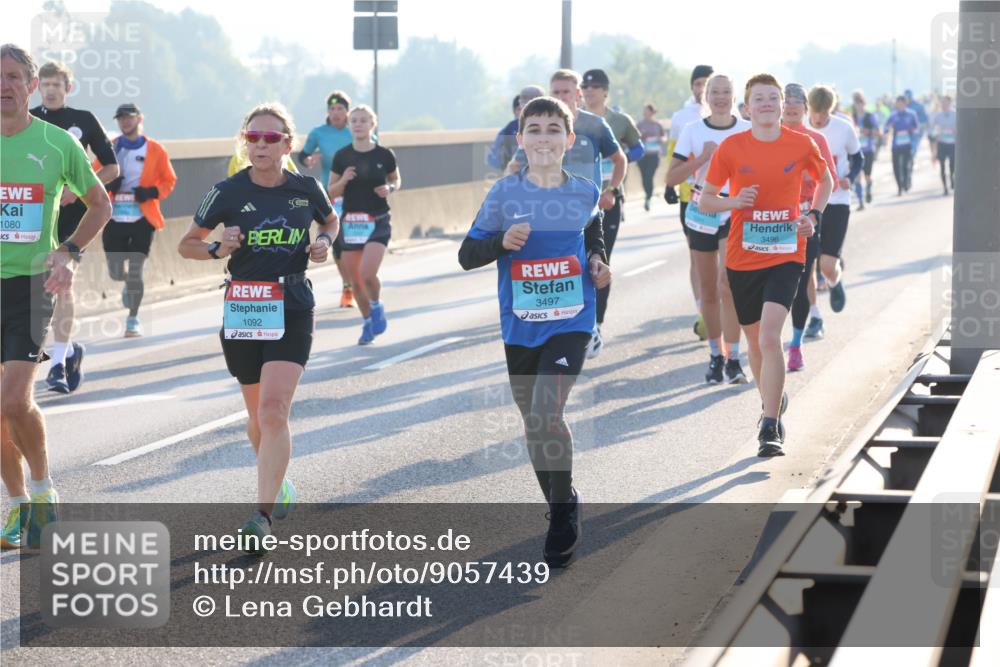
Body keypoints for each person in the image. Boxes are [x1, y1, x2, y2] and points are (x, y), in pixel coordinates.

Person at [179, 102, 338, 553]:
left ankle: (262, 515)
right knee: (256, 420)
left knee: (273, 412)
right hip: (245, 305)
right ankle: (279, 483)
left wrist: (324, 240)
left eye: (271, 138)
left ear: (288, 143)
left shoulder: (306, 188)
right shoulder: (227, 191)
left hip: (291, 303)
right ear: (244, 141)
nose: (261, 145)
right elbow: (185, 244)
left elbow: (329, 219)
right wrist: (216, 247)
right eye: (253, 138)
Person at [459, 96, 610, 567]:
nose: (544, 137)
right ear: (520, 139)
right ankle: (560, 499)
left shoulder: (585, 191)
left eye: (552, 129)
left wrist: (598, 263)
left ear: (568, 140)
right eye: (535, 129)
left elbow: (593, 235)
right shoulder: (504, 194)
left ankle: (563, 513)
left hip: (571, 319)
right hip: (520, 324)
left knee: (547, 411)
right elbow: (467, 254)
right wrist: (501, 242)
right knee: (534, 424)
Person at [1, 44, 112, 548]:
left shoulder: (55, 143)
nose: (4, 87)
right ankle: (19, 504)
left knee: (13, 401)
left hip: (28, 284)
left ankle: (44, 492)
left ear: (29, 86)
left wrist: (68, 251)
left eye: (13, 78)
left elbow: (100, 204)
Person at [698, 73, 832, 457]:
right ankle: (772, 398)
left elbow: (825, 182)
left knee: (772, 336)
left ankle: (769, 426)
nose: (768, 104)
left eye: (774, 98)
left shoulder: (801, 143)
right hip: (743, 258)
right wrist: (734, 202)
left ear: (781, 104)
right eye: (760, 99)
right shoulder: (732, 148)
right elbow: (706, 200)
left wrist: (814, 216)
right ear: (748, 107)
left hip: (787, 253)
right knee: (756, 343)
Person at [504, 69, 625, 358]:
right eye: (555, 92)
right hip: (551, 213)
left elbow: (619, 159)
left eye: (566, 92)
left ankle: (593, 323)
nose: (561, 97)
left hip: (592, 211)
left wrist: (612, 190)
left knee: (596, 266)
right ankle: (567, 328)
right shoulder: (542, 127)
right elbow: (514, 166)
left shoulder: (595, 125)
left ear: (578, 94)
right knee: (562, 269)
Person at [30, 60, 119, 394]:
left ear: (69, 88)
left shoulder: (83, 121)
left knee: (61, 287)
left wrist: (78, 189)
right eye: (46, 84)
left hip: (72, 223)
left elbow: (111, 167)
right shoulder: (28, 121)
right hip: (32, 221)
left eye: (58, 85)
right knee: (31, 294)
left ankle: (57, 368)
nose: (51, 90)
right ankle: (67, 350)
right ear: (38, 87)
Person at [665, 73, 750, 384]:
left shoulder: (746, 129)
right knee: (709, 289)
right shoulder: (692, 130)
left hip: (735, 210)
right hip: (702, 210)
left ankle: (733, 358)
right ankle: (715, 355)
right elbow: (672, 178)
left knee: (729, 284)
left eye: (726, 92)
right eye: (715, 91)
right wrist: (702, 157)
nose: (720, 97)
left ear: (733, 95)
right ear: (705, 96)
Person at [580, 68, 643, 358]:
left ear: (605, 91)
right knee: (575, 263)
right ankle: (577, 321)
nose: (589, 91)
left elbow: (638, 148)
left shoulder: (619, 121)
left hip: (609, 200)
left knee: (600, 261)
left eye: (595, 87)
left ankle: (596, 323)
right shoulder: (573, 120)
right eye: (585, 87)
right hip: (576, 203)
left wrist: (618, 161)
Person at [100, 103, 177, 337]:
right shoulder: (110, 149)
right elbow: (94, 177)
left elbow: (169, 180)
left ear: (139, 119)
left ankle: (132, 318)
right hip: (114, 217)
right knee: (115, 271)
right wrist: (109, 184)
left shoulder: (155, 149)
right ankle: (125, 281)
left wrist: (151, 192)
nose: (125, 122)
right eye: (121, 118)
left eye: (129, 117)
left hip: (142, 217)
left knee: (136, 270)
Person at [328, 105, 401, 345]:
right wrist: (345, 180)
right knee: (355, 280)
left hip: (378, 220)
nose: (358, 124)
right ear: (349, 126)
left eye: (363, 120)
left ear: (373, 124)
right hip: (351, 222)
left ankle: (376, 305)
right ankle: (368, 320)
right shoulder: (342, 156)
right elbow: (331, 190)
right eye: (354, 120)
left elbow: (395, 179)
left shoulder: (384, 155)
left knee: (367, 273)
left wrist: (388, 188)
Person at [782, 83, 835, 371]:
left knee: (802, 282)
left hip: (805, 218)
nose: (790, 106)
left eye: (796, 101)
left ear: (805, 107)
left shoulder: (815, 139)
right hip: (770, 222)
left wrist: (813, 212)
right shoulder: (767, 135)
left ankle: (796, 344)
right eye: (786, 100)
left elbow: (830, 181)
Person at [666, 65, 714, 341]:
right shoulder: (681, 117)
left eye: (705, 83)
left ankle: (717, 307)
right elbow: (674, 155)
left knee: (723, 263)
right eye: (697, 83)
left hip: (724, 200)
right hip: (690, 197)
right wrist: (668, 185)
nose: (701, 89)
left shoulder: (733, 117)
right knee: (698, 258)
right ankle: (702, 312)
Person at [300, 91, 358, 308]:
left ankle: (360, 279)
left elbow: (373, 152)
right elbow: (302, 156)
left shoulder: (357, 131)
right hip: (331, 193)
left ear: (347, 111)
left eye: (340, 109)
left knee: (359, 242)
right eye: (331, 109)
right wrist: (309, 161)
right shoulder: (318, 133)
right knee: (339, 243)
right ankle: (347, 287)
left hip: (358, 194)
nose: (335, 113)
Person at [807, 85, 862, 316]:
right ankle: (813, 315)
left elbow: (858, 157)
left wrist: (849, 177)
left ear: (831, 109)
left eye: (824, 113)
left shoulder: (843, 128)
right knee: (807, 265)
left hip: (838, 201)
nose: (818, 118)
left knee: (828, 266)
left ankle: (834, 280)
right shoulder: (799, 126)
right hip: (808, 202)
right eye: (815, 112)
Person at [851, 90, 882, 210]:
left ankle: (868, 189)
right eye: (856, 103)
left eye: (860, 102)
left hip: (868, 150)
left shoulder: (870, 116)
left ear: (864, 104)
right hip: (855, 150)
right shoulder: (851, 117)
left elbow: (878, 132)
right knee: (857, 176)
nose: (858, 105)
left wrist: (867, 132)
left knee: (867, 176)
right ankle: (860, 202)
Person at [884, 95, 920, 196]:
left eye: (901, 104)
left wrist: (912, 131)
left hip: (907, 144)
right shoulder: (893, 115)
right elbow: (886, 128)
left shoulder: (911, 114)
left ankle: (906, 183)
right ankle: (899, 187)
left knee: (906, 166)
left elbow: (917, 129)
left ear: (905, 104)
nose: (899, 106)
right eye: (898, 104)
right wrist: (887, 131)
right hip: (896, 145)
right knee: (896, 167)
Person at [635, 103, 665, 211]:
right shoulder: (639, 125)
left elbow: (663, 138)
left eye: (647, 110)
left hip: (654, 155)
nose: (645, 113)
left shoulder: (657, 125)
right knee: (644, 177)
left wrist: (660, 140)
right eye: (644, 110)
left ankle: (648, 197)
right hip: (642, 155)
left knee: (649, 176)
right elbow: (634, 138)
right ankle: (647, 194)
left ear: (652, 112)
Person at [929, 95, 956, 195]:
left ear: (950, 103)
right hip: (942, 143)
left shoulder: (955, 115)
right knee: (942, 166)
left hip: (952, 144)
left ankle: (953, 180)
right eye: (943, 103)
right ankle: (945, 187)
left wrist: (955, 132)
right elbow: (932, 130)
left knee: (952, 165)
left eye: (946, 103)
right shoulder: (938, 116)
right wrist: (936, 133)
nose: (944, 105)